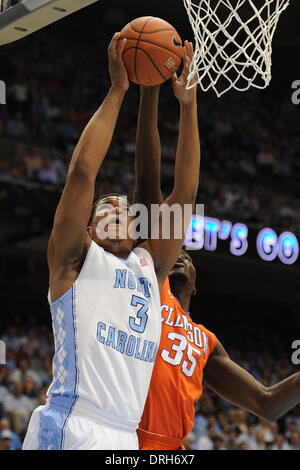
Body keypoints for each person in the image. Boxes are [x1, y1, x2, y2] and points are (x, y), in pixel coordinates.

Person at [22, 34, 200, 450]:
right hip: (70, 423)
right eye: (107, 209)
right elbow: (83, 171)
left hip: (125, 437)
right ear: (87, 229)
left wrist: (189, 107)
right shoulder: (73, 259)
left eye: (126, 210)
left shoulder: (148, 268)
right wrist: (119, 89)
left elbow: (185, 194)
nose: (120, 213)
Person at [133, 76, 300, 452]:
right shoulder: (147, 284)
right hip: (121, 438)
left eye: (187, 257)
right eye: (175, 251)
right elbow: (147, 182)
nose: (178, 255)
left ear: (195, 286)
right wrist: (149, 90)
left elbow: (267, 403)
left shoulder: (206, 341)